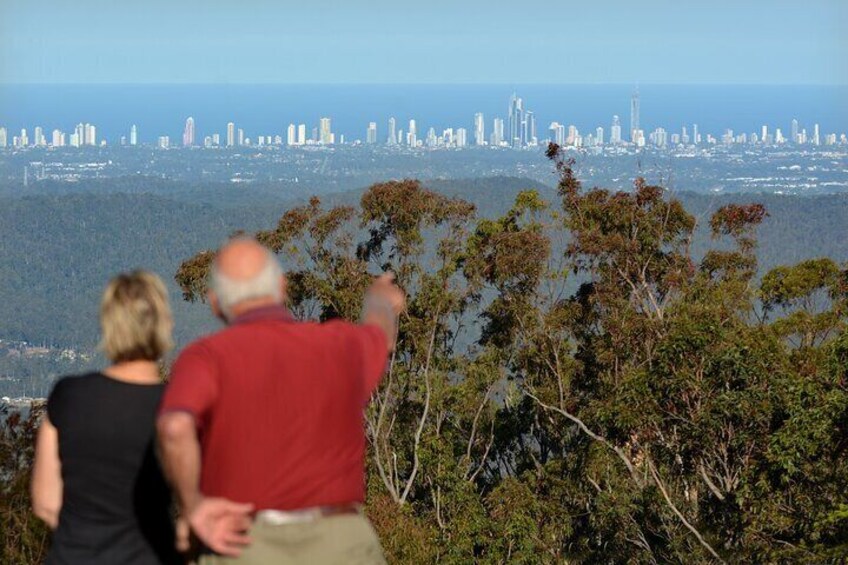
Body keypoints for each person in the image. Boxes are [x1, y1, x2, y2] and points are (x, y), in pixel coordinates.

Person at [157, 237, 404, 564]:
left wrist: (193, 508)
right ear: (282, 287)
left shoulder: (205, 358)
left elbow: (174, 427)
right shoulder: (339, 345)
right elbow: (381, 333)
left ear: (215, 303)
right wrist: (380, 299)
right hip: (340, 544)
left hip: (245, 546)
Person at [31, 271, 181, 565]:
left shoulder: (69, 395)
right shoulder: (177, 409)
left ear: (108, 326)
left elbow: (46, 502)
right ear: (165, 324)